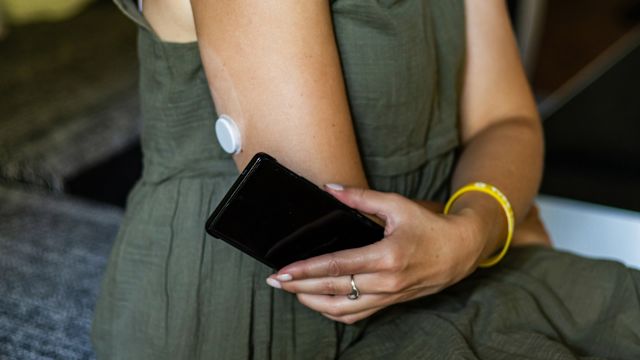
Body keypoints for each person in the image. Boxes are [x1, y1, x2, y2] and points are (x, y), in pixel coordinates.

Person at [92, 0, 640, 358]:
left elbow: (508, 122)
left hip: (444, 252)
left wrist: (475, 228)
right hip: (275, 303)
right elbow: (343, 236)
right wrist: (486, 227)